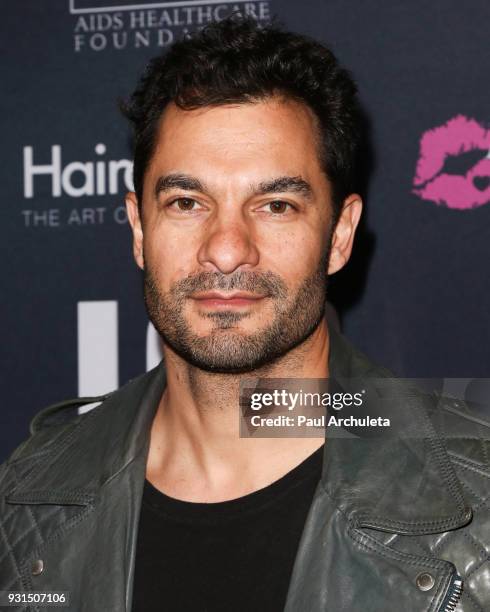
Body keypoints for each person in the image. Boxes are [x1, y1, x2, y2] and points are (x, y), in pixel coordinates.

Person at [1, 17, 488, 612]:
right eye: (186, 202)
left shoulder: (477, 505)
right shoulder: (30, 497)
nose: (227, 248)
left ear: (339, 235)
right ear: (138, 228)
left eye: (276, 205)